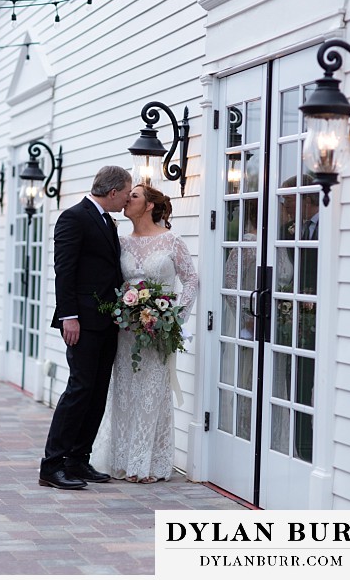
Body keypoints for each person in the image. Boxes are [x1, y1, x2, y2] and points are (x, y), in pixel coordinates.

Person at [92, 184, 198, 483]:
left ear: (149, 205)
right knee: (124, 393)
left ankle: (147, 463)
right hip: (125, 331)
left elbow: (190, 280)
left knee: (152, 393)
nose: (127, 200)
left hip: (157, 331)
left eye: (134, 196)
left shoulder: (172, 241)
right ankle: (122, 460)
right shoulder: (120, 241)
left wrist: (174, 316)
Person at [39, 165, 132, 490]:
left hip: (107, 321)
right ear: (112, 192)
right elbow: (64, 271)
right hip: (81, 321)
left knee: (97, 392)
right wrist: (69, 317)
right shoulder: (73, 217)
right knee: (79, 389)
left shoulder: (107, 220)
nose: (126, 199)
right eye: (125, 193)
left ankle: (78, 459)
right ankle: (52, 465)